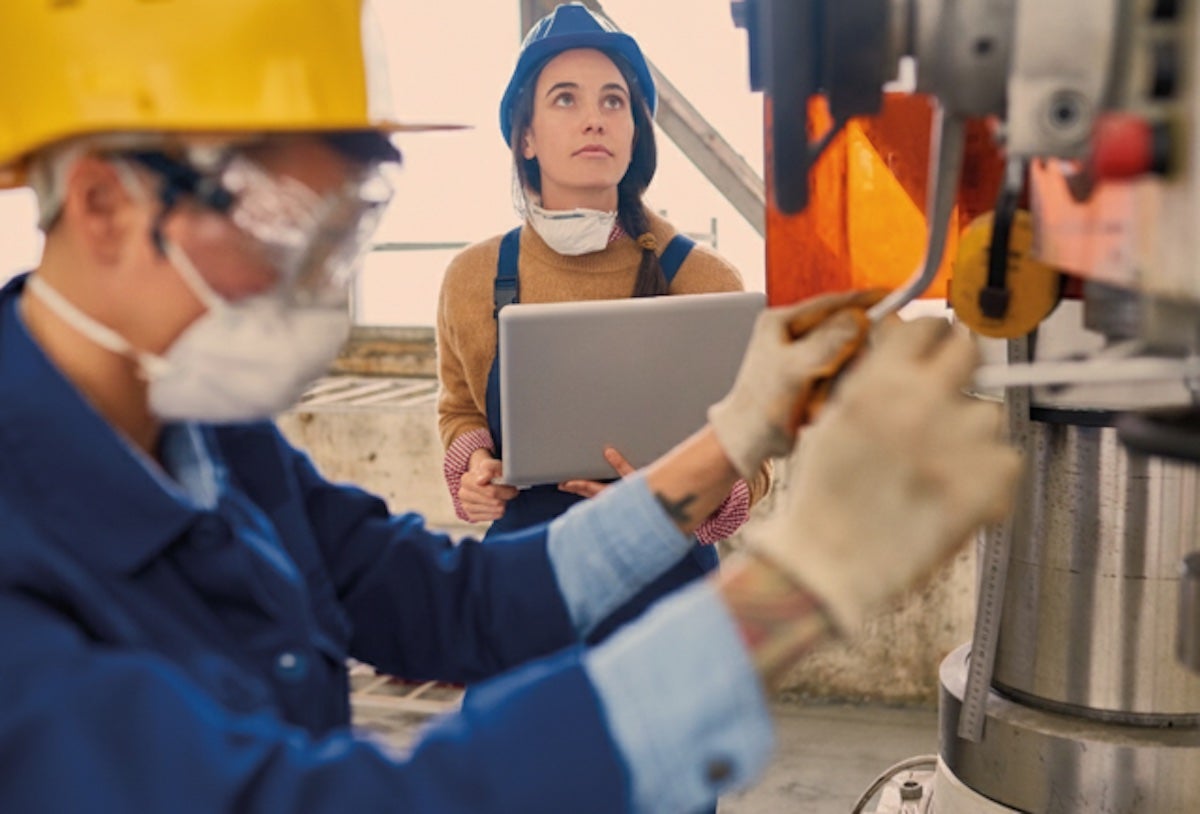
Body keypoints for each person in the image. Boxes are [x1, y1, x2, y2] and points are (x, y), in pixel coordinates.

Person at [0, 1, 1021, 812]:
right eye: (291, 223)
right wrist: (799, 587)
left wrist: (728, 442)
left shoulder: (214, 443)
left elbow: (456, 604)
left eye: (349, 230)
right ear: (102, 206)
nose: (321, 287)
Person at [436, 3, 771, 641]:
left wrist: (681, 504)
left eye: (614, 101)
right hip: (526, 586)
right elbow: (460, 412)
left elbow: (753, 458)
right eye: (565, 99)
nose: (595, 118)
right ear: (525, 136)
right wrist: (472, 471)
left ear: (635, 132)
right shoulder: (474, 278)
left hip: (667, 606)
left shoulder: (704, 282)